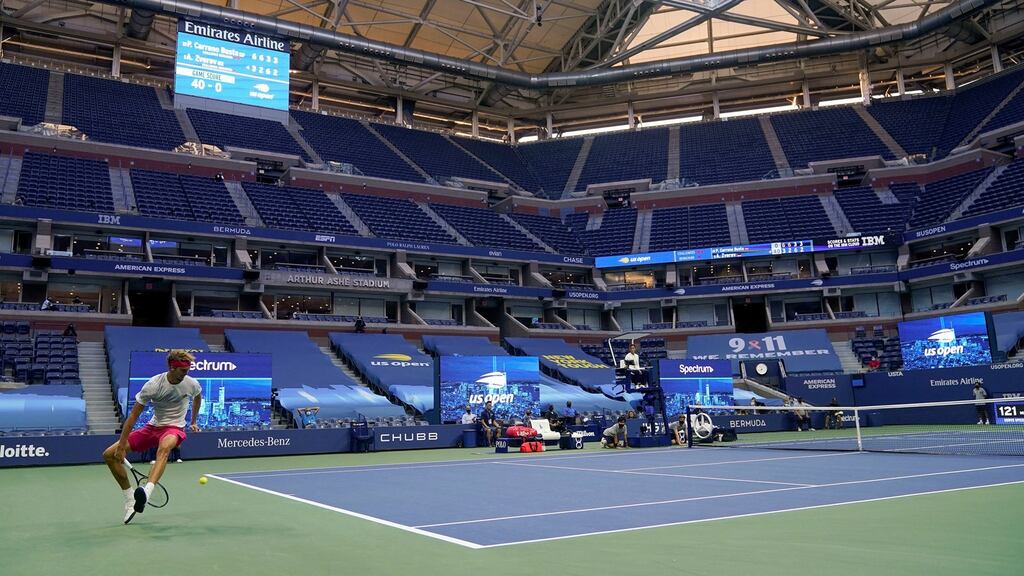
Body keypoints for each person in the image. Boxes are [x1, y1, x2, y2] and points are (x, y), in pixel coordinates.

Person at [102, 350, 202, 524]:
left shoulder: (191, 384)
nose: (186, 375)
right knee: (109, 455)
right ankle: (130, 499)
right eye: (182, 371)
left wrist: (193, 421)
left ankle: (146, 492)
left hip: (174, 428)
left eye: (187, 371)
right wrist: (121, 445)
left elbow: (197, 398)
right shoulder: (153, 385)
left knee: (164, 448)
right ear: (172, 367)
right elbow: (133, 416)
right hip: (153, 427)